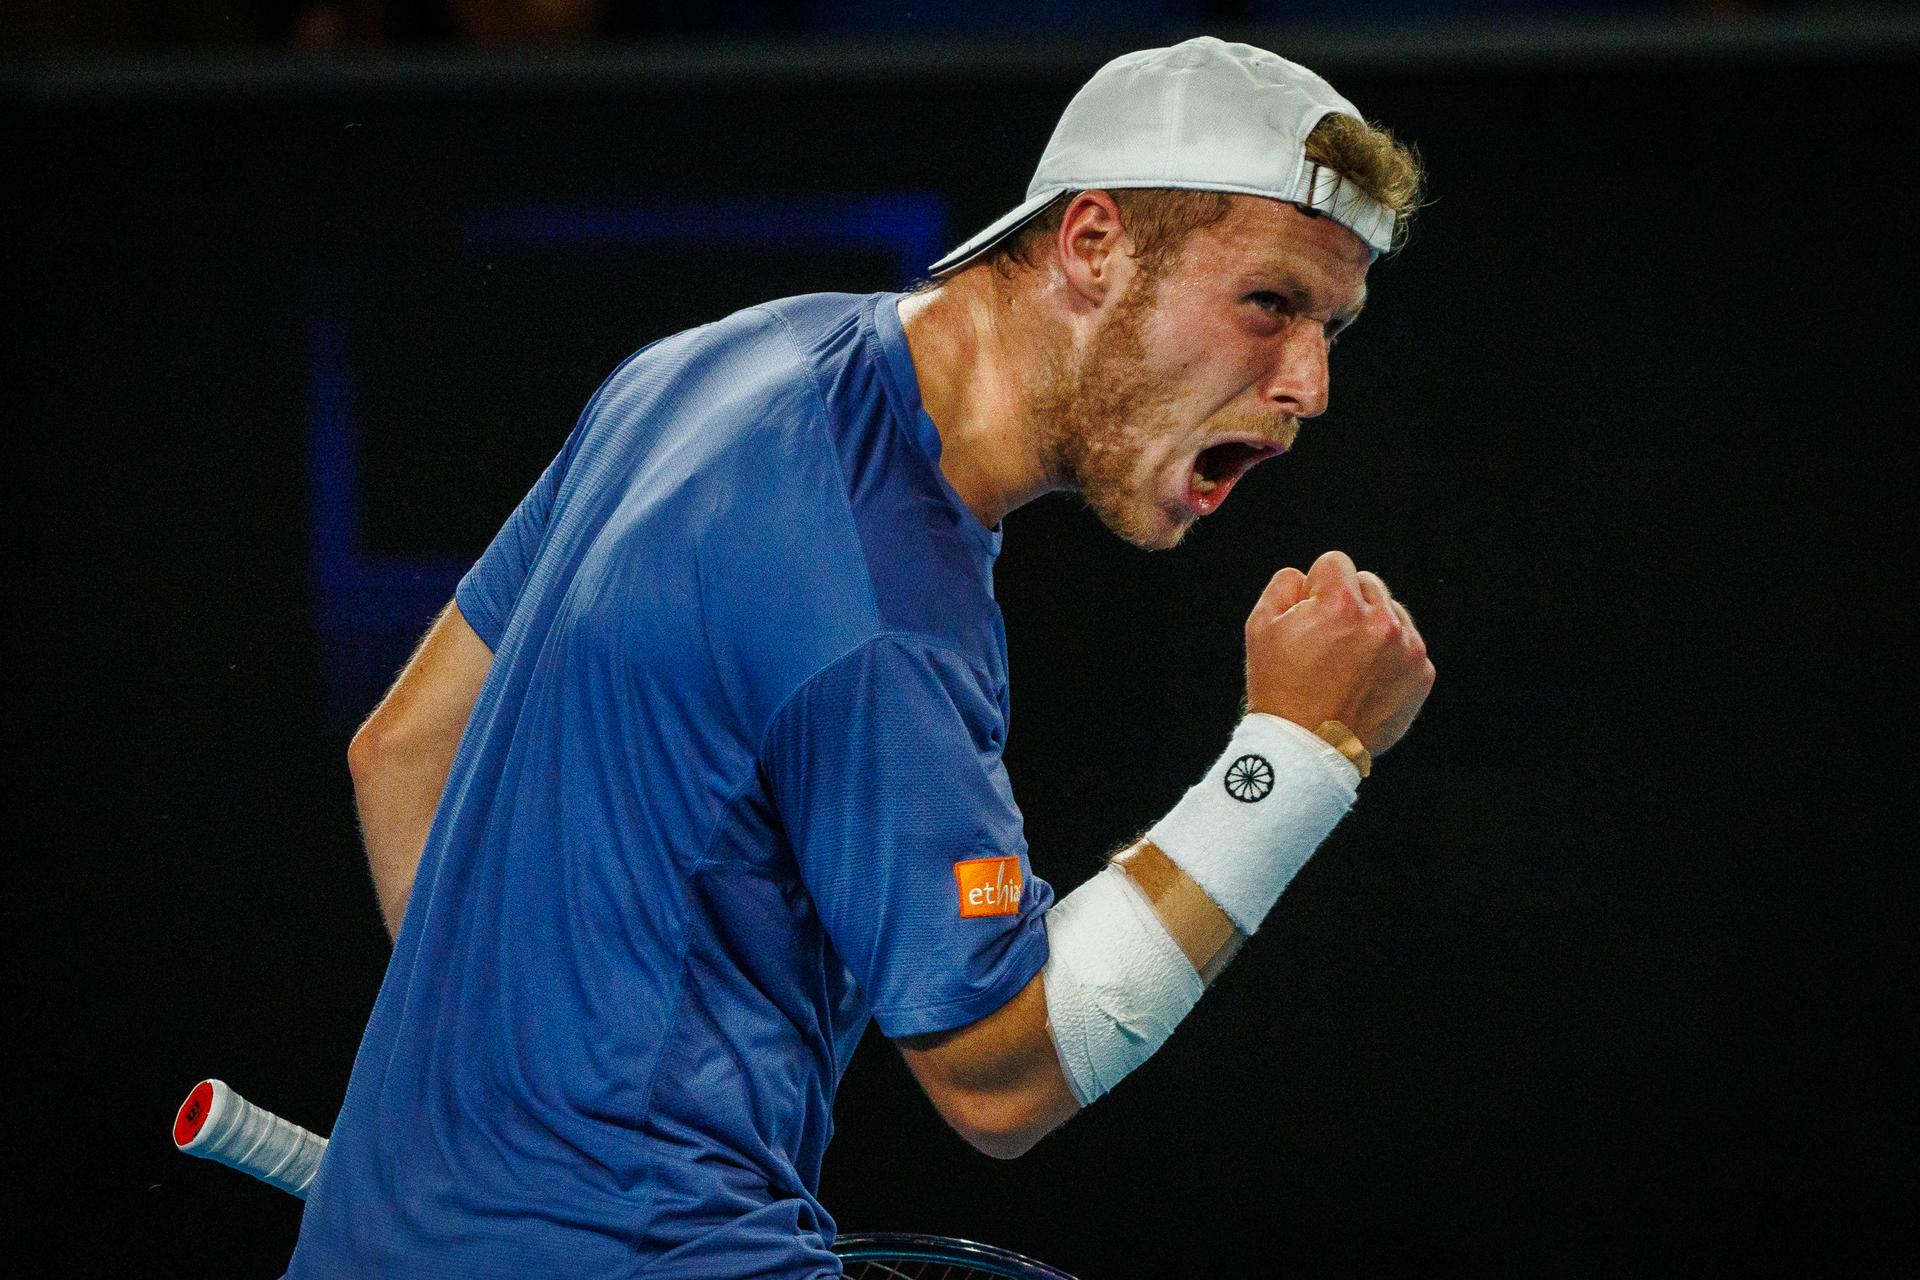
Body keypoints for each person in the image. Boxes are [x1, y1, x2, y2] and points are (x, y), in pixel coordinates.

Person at [284, 36, 1435, 1279]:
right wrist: (1298, 752)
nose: (1310, 384)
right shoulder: (881, 603)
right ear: (1092, 245)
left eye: (1334, 326)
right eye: (1269, 303)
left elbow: (402, 751)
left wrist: (508, 1135)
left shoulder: (713, 362)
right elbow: (1005, 1073)